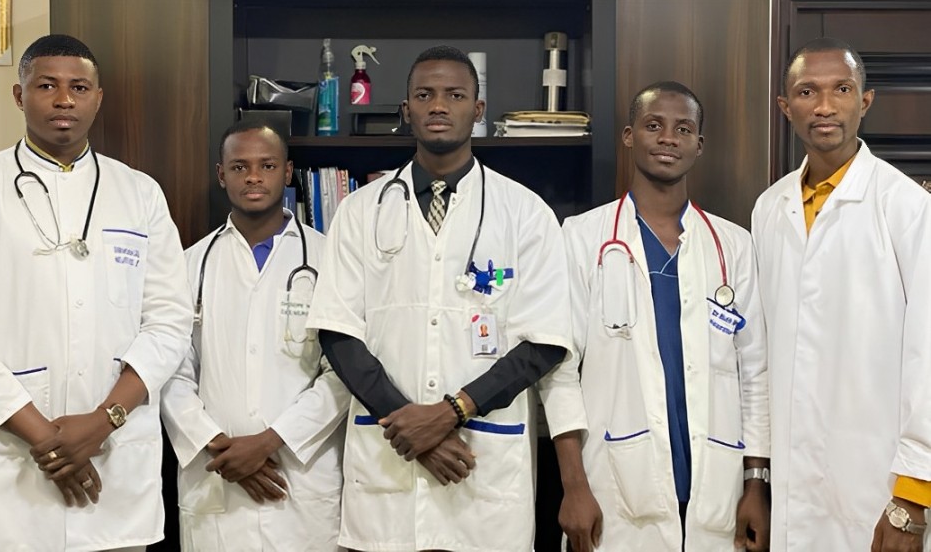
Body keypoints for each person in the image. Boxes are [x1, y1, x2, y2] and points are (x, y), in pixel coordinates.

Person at [306, 44, 572, 552]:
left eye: (455, 95)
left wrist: (450, 413)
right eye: (424, 95)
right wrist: (411, 427)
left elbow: (545, 343)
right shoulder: (360, 210)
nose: (439, 106)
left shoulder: (525, 212)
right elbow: (338, 333)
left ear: (478, 109)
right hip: (390, 462)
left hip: (481, 467)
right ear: (406, 109)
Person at [0, 34, 193, 550]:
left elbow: (170, 323)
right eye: (47, 86)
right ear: (19, 95)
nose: (64, 99)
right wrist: (48, 440)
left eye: (79, 87)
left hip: (116, 463)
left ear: (98, 98)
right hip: (11, 472)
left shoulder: (140, 192)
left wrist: (103, 422)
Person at [542, 81, 770, 551]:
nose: (668, 138)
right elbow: (559, 370)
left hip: (717, 484)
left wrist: (756, 483)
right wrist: (574, 486)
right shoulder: (582, 237)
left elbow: (754, 374)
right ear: (629, 136)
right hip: (614, 483)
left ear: (698, 145)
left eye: (683, 129)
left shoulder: (733, 245)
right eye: (653, 125)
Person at [752, 37, 931, 551]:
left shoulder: (906, 207)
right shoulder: (768, 209)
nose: (825, 106)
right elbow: (762, 355)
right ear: (786, 106)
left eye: (842, 89)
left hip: (878, 489)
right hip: (793, 488)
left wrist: (912, 498)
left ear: (865, 101)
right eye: (807, 91)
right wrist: (758, 480)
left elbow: (927, 356)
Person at [161, 118, 349, 551]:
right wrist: (217, 445)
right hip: (217, 472)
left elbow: (341, 372)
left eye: (267, 165)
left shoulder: (328, 259)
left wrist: (269, 442)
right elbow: (172, 370)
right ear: (221, 174)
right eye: (239, 166)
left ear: (287, 172)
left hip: (299, 473)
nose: (253, 177)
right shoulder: (190, 264)